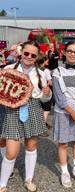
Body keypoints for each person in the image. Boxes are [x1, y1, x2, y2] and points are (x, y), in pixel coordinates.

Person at [0, 41, 51, 192]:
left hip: (33, 109)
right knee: (11, 152)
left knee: (31, 146)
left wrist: (47, 94)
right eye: (27, 53)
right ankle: (2, 183)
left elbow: (44, 99)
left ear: (36, 57)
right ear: (22, 52)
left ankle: (29, 179)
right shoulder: (8, 69)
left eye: (33, 55)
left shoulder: (41, 74)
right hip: (12, 111)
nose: (29, 57)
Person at [52, 42, 75, 188]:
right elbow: (59, 96)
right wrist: (72, 111)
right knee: (63, 143)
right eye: (70, 51)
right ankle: (64, 172)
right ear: (64, 52)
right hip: (63, 113)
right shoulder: (57, 72)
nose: (73, 54)